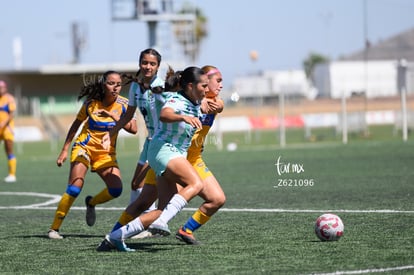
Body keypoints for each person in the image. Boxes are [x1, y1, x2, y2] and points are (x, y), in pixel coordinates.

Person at [99, 66, 208, 251]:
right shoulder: (177, 99)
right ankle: (163, 222)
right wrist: (183, 117)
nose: (207, 89)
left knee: (161, 209)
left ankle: (114, 237)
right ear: (191, 85)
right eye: (204, 85)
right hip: (164, 151)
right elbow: (165, 114)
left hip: (169, 153)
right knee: (196, 184)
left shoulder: (195, 101)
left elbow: (207, 106)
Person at [48, 70, 137, 239]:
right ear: (104, 84)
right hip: (84, 146)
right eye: (111, 83)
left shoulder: (125, 104)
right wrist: (64, 149)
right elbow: (76, 125)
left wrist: (113, 115)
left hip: (106, 153)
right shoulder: (91, 103)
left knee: (116, 189)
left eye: (118, 84)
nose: (115, 87)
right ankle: (54, 229)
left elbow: (134, 129)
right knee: (75, 187)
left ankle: (91, 202)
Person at [174, 65, 226, 245]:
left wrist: (202, 103)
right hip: (174, 157)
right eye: (218, 81)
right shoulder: (185, 99)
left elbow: (217, 106)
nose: (221, 85)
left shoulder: (217, 102)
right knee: (157, 203)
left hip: (194, 159)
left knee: (217, 199)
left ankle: (186, 230)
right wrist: (197, 103)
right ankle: (125, 231)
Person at [0, 80, 17, 183]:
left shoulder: (9, 99)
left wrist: (3, 124)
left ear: (5, 88)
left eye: (2, 87)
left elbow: (11, 114)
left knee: (9, 151)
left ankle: (12, 175)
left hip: (7, 129)